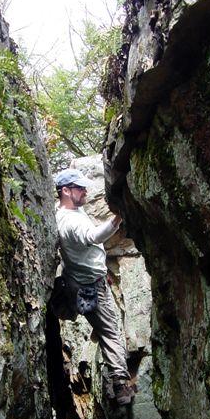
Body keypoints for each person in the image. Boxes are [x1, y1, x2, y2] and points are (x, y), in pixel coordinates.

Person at [53, 168, 135, 405]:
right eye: (80, 188)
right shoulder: (70, 222)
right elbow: (95, 237)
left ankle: (94, 324)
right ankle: (121, 386)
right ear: (66, 191)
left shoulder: (67, 212)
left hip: (79, 282)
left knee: (101, 325)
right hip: (90, 287)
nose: (85, 191)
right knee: (111, 332)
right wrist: (118, 218)